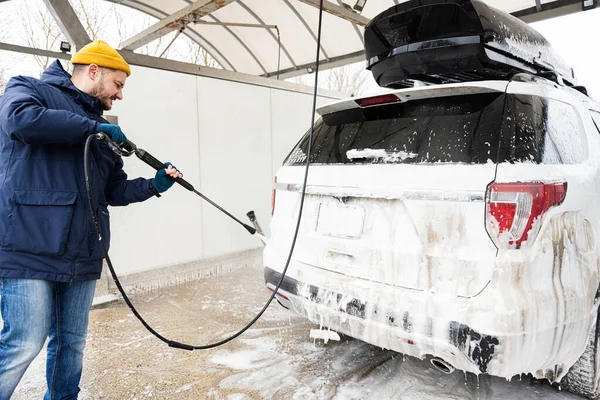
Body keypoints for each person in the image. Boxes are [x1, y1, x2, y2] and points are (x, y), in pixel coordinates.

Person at [0, 40, 182, 399]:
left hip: (83, 251)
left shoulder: (100, 126)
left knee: (72, 343)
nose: (120, 95)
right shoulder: (28, 89)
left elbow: (113, 190)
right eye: (118, 85)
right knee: (25, 342)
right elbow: (20, 120)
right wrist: (89, 128)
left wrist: (153, 185)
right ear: (93, 71)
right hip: (29, 247)